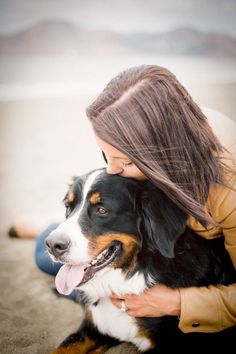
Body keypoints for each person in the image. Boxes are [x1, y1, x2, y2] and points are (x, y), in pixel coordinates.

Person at [10, 64, 236, 333]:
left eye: (125, 160)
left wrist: (178, 303)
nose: (112, 170)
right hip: (144, 240)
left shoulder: (229, 190)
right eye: (107, 156)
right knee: (46, 258)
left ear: (160, 150)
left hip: (202, 259)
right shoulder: (158, 145)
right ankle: (47, 227)